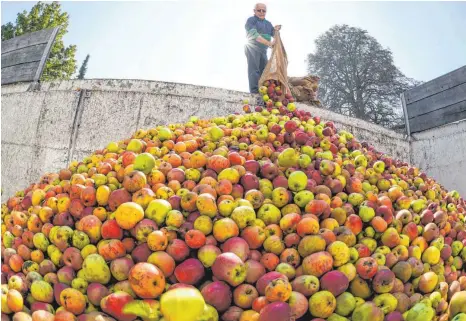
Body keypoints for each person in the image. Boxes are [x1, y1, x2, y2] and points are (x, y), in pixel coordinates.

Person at [245, 3, 281, 100]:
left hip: (263, 50)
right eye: (259, 10)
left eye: (263, 11)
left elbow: (274, 34)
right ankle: (254, 92)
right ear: (254, 11)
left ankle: (263, 92)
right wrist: (269, 43)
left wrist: (276, 30)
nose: (261, 12)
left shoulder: (268, 24)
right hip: (253, 48)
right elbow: (254, 35)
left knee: (264, 72)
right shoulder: (251, 20)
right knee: (254, 70)